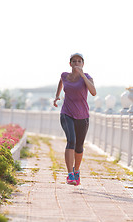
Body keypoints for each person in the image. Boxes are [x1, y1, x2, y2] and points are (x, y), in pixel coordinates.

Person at [53, 53, 96, 185]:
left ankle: (76, 171)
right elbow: (61, 81)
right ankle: (70, 174)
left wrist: (82, 75)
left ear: (83, 64)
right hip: (67, 113)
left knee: (79, 146)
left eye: (79, 61)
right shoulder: (65, 75)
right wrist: (57, 96)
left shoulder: (87, 77)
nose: (76, 63)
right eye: (74, 61)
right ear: (70, 63)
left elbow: (93, 92)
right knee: (71, 140)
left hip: (83, 116)